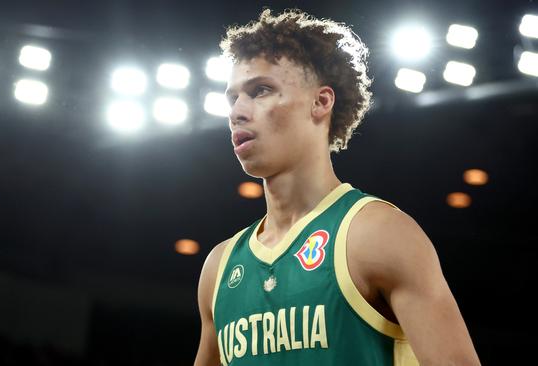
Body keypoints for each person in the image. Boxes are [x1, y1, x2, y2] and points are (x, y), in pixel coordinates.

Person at [193, 8, 480, 366]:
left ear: (321, 102)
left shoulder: (378, 234)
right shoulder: (220, 268)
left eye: (260, 90)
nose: (237, 111)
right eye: (232, 98)